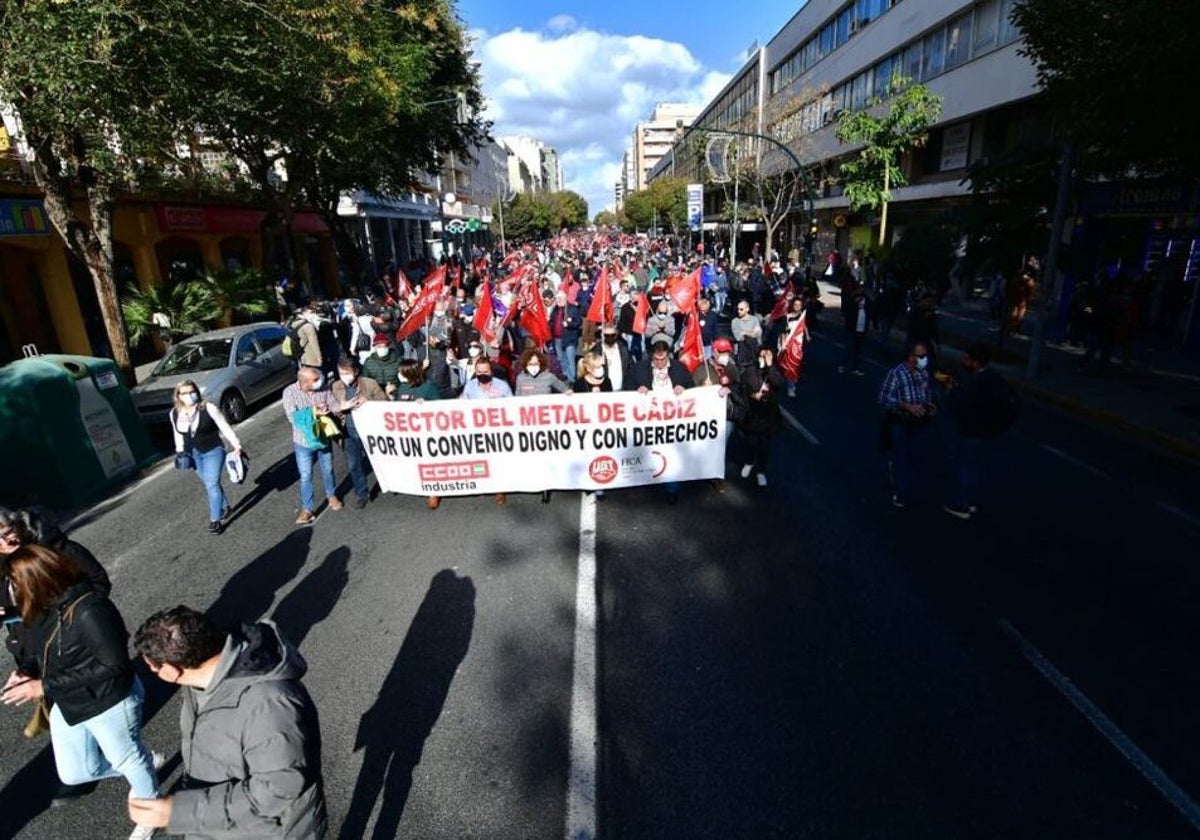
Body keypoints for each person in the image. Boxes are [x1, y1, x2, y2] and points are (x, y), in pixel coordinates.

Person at [2, 546, 162, 840]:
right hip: (72, 700)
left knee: (128, 759)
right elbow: (38, 650)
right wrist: (26, 671)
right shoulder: (41, 609)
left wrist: (43, 686)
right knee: (75, 773)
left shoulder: (90, 609)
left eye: (13, 582)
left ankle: (150, 808)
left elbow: (114, 665)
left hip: (109, 700)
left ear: (35, 579)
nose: (9, 590)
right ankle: (143, 765)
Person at [129, 607, 327, 839]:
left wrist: (179, 812)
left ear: (172, 671)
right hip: (223, 822)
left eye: (152, 667)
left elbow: (278, 789)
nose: (151, 673)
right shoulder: (203, 679)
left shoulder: (270, 706)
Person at [943, 344, 1018, 520]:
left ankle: (962, 503)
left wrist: (950, 391)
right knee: (974, 467)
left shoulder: (974, 383)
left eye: (967, 359)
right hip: (984, 430)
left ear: (975, 363)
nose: (963, 361)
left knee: (965, 466)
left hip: (971, 429)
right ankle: (970, 501)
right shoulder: (993, 377)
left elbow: (958, 407)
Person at [170, 380, 242, 535]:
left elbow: (224, 426)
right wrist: (180, 451)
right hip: (193, 454)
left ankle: (215, 520)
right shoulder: (175, 413)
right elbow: (177, 434)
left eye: (192, 391)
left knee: (212, 484)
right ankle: (225, 507)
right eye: (184, 393)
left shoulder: (208, 408)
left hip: (213, 450)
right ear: (178, 396)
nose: (189, 395)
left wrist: (236, 445)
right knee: (209, 483)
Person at [877, 342, 937, 508]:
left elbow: (926, 394)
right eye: (921, 356)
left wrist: (928, 405)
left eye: (925, 356)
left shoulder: (923, 374)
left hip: (919, 422)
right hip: (900, 421)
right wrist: (905, 405)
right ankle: (900, 492)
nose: (924, 359)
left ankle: (898, 475)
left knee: (914, 456)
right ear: (911, 357)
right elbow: (884, 399)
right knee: (901, 456)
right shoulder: (896, 374)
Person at [282, 366, 341, 525]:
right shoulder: (290, 392)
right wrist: (314, 412)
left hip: (322, 437)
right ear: (305, 382)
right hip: (303, 441)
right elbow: (292, 417)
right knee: (306, 475)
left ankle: (331, 496)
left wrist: (342, 407)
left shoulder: (323, 388)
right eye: (315, 380)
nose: (319, 381)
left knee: (327, 468)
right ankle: (307, 508)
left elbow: (334, 405)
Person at [331, 357, 386, 509]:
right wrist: (341, 407)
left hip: (369, 431)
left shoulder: (369, 384)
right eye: (340, 373)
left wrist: (367, 400)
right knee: (354, 465)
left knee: (378, 459)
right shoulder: (336, 386)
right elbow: (332, 408)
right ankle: (362, 493)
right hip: (348, 433)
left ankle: (388, 482)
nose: (343, 376)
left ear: (355, 371)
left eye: (347, 372)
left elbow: (385, 402)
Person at [460, 358, 511, 504]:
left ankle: (499, 490)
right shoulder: (469, 386)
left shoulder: (502, 386)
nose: (482, 374)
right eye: (479, 372)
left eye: (485, 372)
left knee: (496, 462)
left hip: (497, 431)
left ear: (491, 371)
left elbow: (512, 406)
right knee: (479, 461)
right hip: (476, 431)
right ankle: (482, 485)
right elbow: (462, 406)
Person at [735, 346, 786, 487]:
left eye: (767, 355)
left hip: (768, 415)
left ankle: (761, 471)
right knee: (751, 442)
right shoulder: (751, 370)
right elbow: (744, 387)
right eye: (762, 355)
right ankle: (749, 462)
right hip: (753, 413)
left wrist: (769, 367)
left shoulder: (775, 369)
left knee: (764, 446)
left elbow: (778, 382)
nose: (764, 358)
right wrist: (752, 395)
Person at [548, 292, 581, 384]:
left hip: (569, 339)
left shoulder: (572, 309)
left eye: (561, 299)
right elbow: (551, 321)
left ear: (565, 299)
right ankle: (566, 377)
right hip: (557, 339)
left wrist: (569, 324)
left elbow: (579, 322)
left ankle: (572, 381)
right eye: (557, 299)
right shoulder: (555, 309)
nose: (559, 301)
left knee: (570, 360)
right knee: (561, 359)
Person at [840, 283, 869, 375]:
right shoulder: (851, 299)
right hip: (851, 328)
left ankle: (855, 367)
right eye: (858, 288)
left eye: (862, 289)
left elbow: (871, 311)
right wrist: (854, 302)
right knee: (848, 348)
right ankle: (843, 365)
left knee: (858, 350)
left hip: (861, 329)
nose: (860, 291)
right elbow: (846, 310)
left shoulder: (867, 300)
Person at [363, 333, 402, 400]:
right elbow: (365, 381)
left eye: (384, 346)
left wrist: (395, 388)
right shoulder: (369, 362)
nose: (382, 348)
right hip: (376, 395)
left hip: (394, 393)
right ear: (375, 348)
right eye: (379, 346)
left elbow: (403, 380)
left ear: (388, 346)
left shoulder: (398, 361)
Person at [595, 323, 634, 391]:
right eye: (607, 335)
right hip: (604, 389)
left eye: (612, 335)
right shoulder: (597, 350)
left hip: (622, 388)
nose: (610, 337)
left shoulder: (623, 348)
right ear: (602, 335)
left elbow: (631, 366)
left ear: (616, 335)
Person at [287, 306, 322, 370]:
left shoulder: (293, 326)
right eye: (311, 312)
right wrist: (319, 358)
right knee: (318, 377)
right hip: (312, 358)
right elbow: (314, 343)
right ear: (302, 314)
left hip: (303, 358)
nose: (313, 314)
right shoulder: (308, 326)